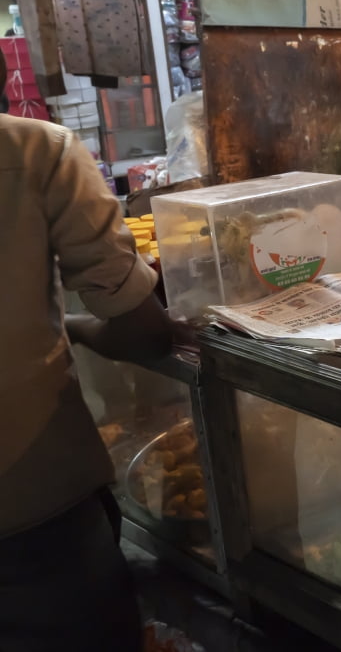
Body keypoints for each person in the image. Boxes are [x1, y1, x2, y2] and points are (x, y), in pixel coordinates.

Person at [1, 110, 176, 651]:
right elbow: (145, 332)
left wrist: (69, 324)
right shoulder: (35, 149)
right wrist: (80, 328)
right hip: (32, 505)